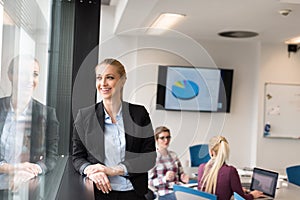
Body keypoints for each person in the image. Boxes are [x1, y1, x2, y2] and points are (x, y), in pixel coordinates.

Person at [72, 58, 156, 200]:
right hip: (99, 193)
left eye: (109, 77)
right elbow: (77, 157)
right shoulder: (85, 116)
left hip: (133, 192)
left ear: (123, 80)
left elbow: (149, 157)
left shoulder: (139, 114)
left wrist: (114, 170)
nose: (103, 83)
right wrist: (90, 170)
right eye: (99, 78)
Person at [0, 55, 59, 192]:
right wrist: (11, 168)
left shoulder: (47, 114)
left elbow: (51, 157)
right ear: (10, 75)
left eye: (35, 74)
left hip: (25, 189)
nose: (30, 80)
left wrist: (32, 171)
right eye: (23, 73)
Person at [197, 136, 263, 200]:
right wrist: (252, 195)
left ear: (211, 152)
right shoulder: (230, 171)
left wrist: (236, 189)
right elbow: (242, 198)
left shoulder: (201, 168)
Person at [148, 126, 189, 200]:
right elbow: (148, 183)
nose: (166, 140)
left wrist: (183, 178)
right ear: (156, 140)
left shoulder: (174, 155)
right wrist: (164, 179)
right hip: (163, 192)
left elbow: (181, 174)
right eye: (162, 138)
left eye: (168, 137)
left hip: (178, 189)